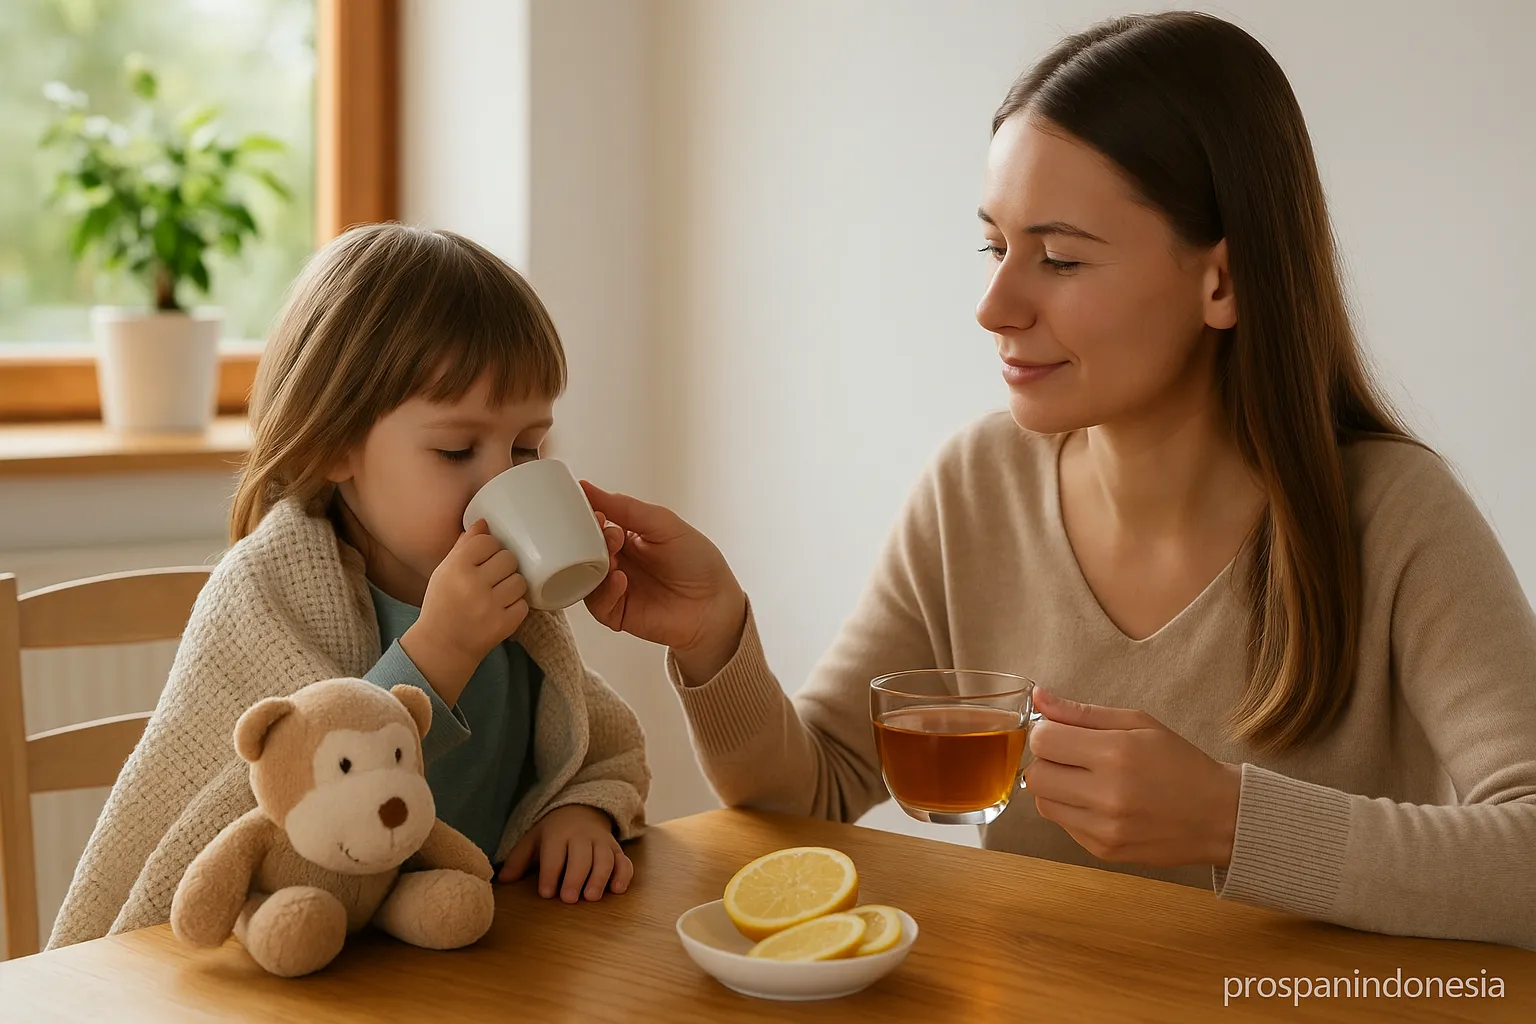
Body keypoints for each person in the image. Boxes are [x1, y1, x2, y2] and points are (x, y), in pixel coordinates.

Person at [577, 11, 1536, 949]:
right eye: (996, 246)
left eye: (1061, 257)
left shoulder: (1394, 516)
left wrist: (1233, 824)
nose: (995, 307)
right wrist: (715, 643)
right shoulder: (974, 487)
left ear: (1223, 283)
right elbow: (815, 794)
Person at [50, 224, 649, 950]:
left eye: (527, 447)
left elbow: (595, 743)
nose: (502, 479)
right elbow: (287, 791)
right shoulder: (266, 594)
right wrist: (439, 652)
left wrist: (579, 811)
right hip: (294, 969)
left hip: (461, 965)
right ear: (334, 444)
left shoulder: (516, 610)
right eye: (457, 449)